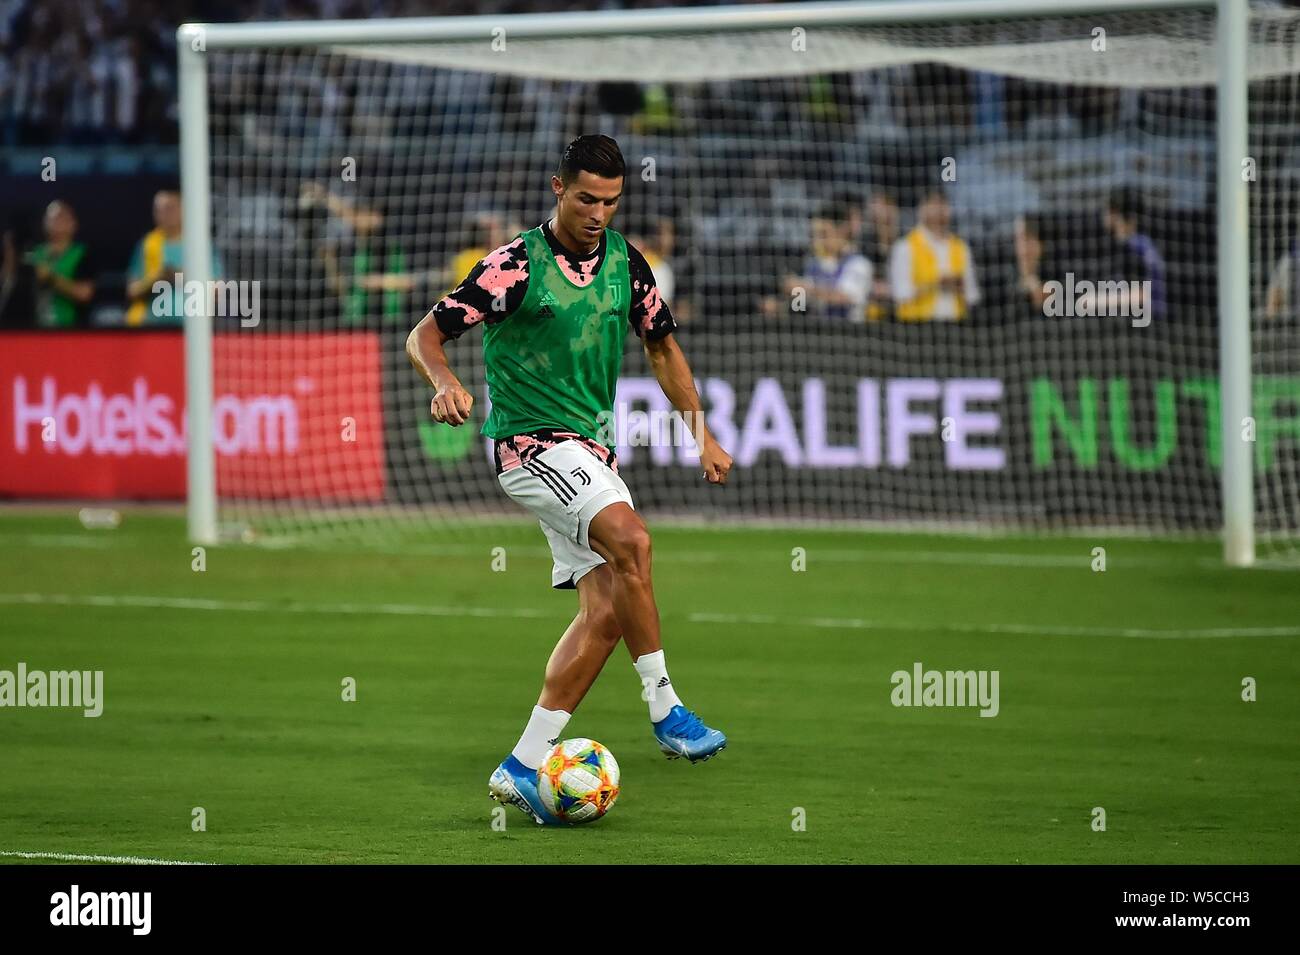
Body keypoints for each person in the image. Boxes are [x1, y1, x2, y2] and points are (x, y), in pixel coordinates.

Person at [406, 135, 733, 826]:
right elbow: (426, 334)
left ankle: (524, 763)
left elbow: (662, 346)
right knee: (634, 543)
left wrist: (700, 432)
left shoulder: (626, 263)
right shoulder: (511, 267)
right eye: (586, 197)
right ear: (558, 187)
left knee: (609, 612)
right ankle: (666, 706)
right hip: (529, 446)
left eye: (612, 201)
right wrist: (445, 381)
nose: (598, 213)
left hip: (592, 451)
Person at [890, 188, 981, 322]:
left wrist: (960, 287)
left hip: (957, 325)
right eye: (934, 204)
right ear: (922, 209)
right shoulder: (905, 246)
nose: (939, 210)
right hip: (916, 327)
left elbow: (973, 296)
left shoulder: (961, 247)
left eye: (943, 204)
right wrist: (935, 284)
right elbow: (900, 294)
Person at [27, 200, 94, 328]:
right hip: (34, 330)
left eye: (60, 217)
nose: (54, 221)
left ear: (73, 224)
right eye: (50, 217)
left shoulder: (83, 254)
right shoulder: (34, 255)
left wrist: (50, 278)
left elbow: (85, 294)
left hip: (70, 330)